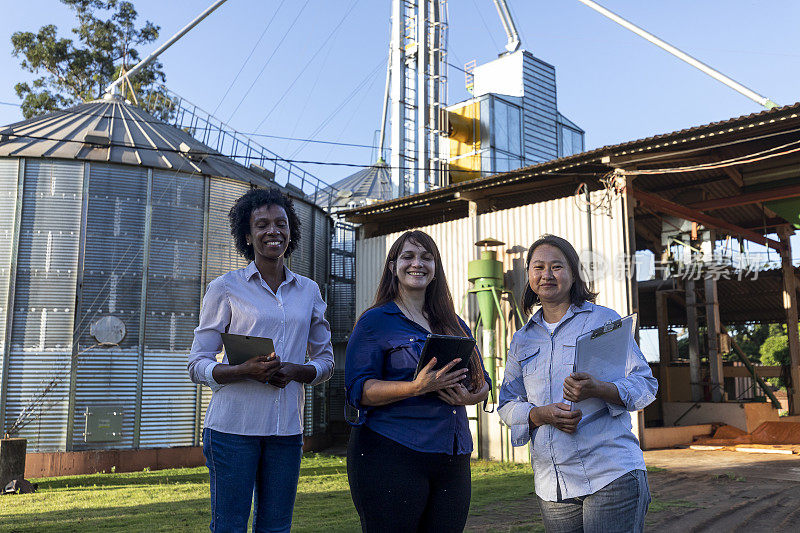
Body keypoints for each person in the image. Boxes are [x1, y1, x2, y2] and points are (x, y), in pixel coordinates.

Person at [188, 188, 334, 533]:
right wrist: (242, 370)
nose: (273, 231)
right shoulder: (225, 288)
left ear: (291, 232)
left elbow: (326, 359)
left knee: (276, 527)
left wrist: (301, 370)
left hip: (286, 432)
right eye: (263, 224)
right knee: (230, 526)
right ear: (248, 235)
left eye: (281, 224)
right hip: (231, 431)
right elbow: (197, 363)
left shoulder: (309, 291)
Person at [498, 234, 657, 533]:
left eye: (557, 266)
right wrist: (538, 414)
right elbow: (506, 404)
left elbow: (645, 383)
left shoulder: (601, 321)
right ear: (529, 275)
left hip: (610, 473)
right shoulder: (522, 340)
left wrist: (599, 388)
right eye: (538, 267)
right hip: (553, 485)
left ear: (572, 274)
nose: (547, 274)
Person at [345, 230, 491, 533]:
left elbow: (483, 380)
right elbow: (358, 390)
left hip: (453, 456)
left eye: (427, 257)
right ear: (392, 265)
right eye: (408, 256)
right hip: (392, 453)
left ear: (436, 268)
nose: (418, 264)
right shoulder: (375, 321)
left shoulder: (454, 321)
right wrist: (416, 388)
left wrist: (471, 397)